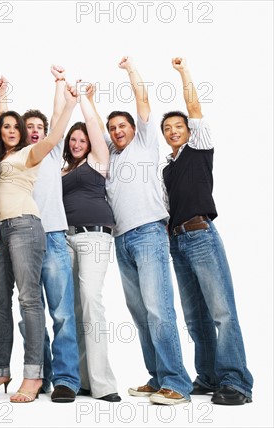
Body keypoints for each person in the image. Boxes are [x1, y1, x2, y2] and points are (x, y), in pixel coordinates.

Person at [100, 56, 192, 405]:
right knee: (140, 313)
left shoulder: (145, 142)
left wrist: (130, 71)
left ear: (134, 129)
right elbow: (95, 133)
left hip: (149, 233)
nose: (118, 131)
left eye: (123, 126)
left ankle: (177, 383)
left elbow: (143, 100)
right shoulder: (111, 155)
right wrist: (87, 100)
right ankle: (157, 377)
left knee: (158, 308)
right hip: (121, 240)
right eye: (114, 129)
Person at [161, 57, 253, 406]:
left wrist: (183, 72)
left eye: (177, 126)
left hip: (200, 235)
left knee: (221, 311)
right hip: (177, 241)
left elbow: (194, 106)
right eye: (167, 128)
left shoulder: (198, 149)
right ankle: (209, 376)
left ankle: (237, 382)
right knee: (195, 314)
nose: (172, 131)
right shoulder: (167, 167)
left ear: (188, 130)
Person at [0, 82, 78, 404]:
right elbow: (3, 126)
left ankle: (35, 374)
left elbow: (54, 135)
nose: (13, 131)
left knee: (30, 301)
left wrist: (67, 104)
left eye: (20, 128)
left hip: (26, 226)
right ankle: (0, 369)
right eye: (9, 127)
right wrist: (1, 99)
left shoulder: (32, 152)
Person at [61, 84, 120, 402]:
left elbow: (95, 128)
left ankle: (104, 384)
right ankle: (82, 379)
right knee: (75, 307)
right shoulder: (62, 168)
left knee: (91, 302)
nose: (78, 142)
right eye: (74, 139)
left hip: (95, 236)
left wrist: (83, 97)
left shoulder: (98, 160)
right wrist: (59, 90)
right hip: (67, 238)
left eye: (83, 138)